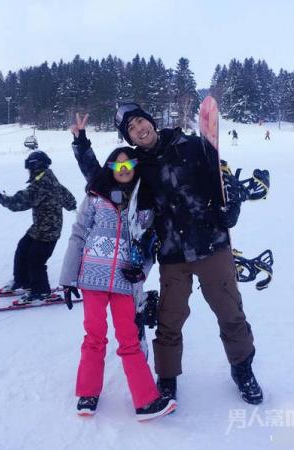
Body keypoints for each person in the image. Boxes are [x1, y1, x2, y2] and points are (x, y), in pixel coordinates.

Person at [70, 105, 263, 405]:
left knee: (230, 313)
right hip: (173, 254)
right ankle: (168, 377)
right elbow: (103, 179)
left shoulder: (192, 145)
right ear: (129, 138)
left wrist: (232, 206)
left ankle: (243, 369)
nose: (139, 129)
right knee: (169, 321)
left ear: (151, 121)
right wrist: (81, 144)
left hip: (212, 245)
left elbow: (224, 178)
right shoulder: (138, 167)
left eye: (140, 121)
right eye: (131, 129)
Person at [60, 147, 176, 420]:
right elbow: (78, 235)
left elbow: (149, 245)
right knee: (95, 335)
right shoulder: (95, 197)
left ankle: (146, 400)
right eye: (118, 166)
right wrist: (68, 278)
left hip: (125, 282)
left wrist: (142, 271)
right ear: (111, 168)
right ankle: (87, 392)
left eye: (129, 165)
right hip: (93, 278)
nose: (123, 171)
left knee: (129, 339)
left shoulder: (143, 202)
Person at [0, 151, 77, 303]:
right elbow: (69, 198)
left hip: (48, 232)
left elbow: (17, 203)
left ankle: (41, 292)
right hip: (39, 228)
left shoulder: (41, 184)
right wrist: (71, 205)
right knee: (23, 247)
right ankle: (22, 280)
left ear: (35, 166)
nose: (28, 170)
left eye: (28, 166)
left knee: (36, 260)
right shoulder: (49, 178)